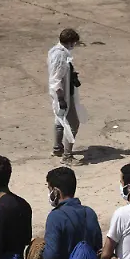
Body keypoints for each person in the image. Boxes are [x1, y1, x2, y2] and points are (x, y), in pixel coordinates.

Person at [49, 28, 86, 164]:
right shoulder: (60, 56)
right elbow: (56, 79)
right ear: (70, 42)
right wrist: (61, 99)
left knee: (59, 120)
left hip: (61, 92)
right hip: (63, 94)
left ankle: (57, 148)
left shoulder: (55, 51)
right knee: (72, 123)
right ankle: (67, 156)